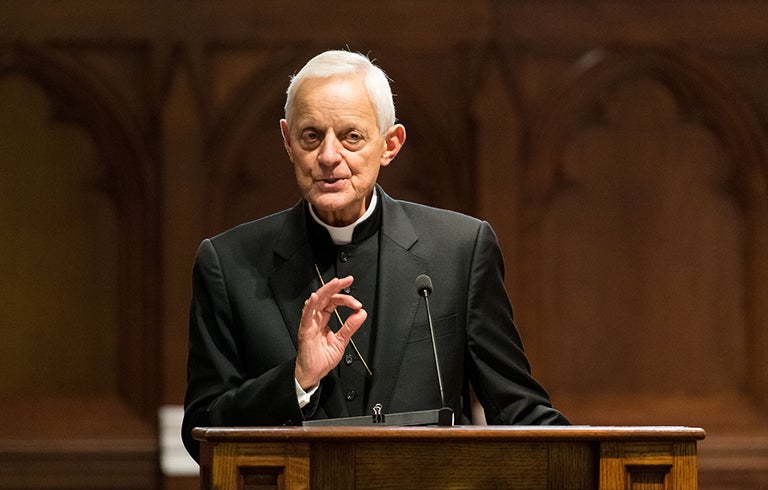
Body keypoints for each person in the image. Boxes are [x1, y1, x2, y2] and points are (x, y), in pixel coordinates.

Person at [182, 49, 568, 461]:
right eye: (311, 135)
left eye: (351, 136)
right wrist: (297, 380)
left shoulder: (459, 250)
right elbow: (202, 431)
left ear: (390, 144)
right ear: (287, 142)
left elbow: (517, 408)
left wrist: (586, 460)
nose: (329, 157)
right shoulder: (228, 263)